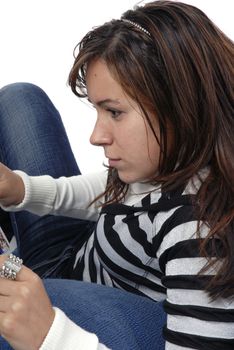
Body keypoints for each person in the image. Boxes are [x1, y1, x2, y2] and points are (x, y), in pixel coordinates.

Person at [0, 0, 233, 349]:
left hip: (88, 313)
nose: (96, 136)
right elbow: (119, 197)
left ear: (181, 106)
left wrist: (51, 336)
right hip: (72, 258)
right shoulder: (173, 153)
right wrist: (22, 190)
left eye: (114, 112)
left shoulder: (199, 239)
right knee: (21, 98)